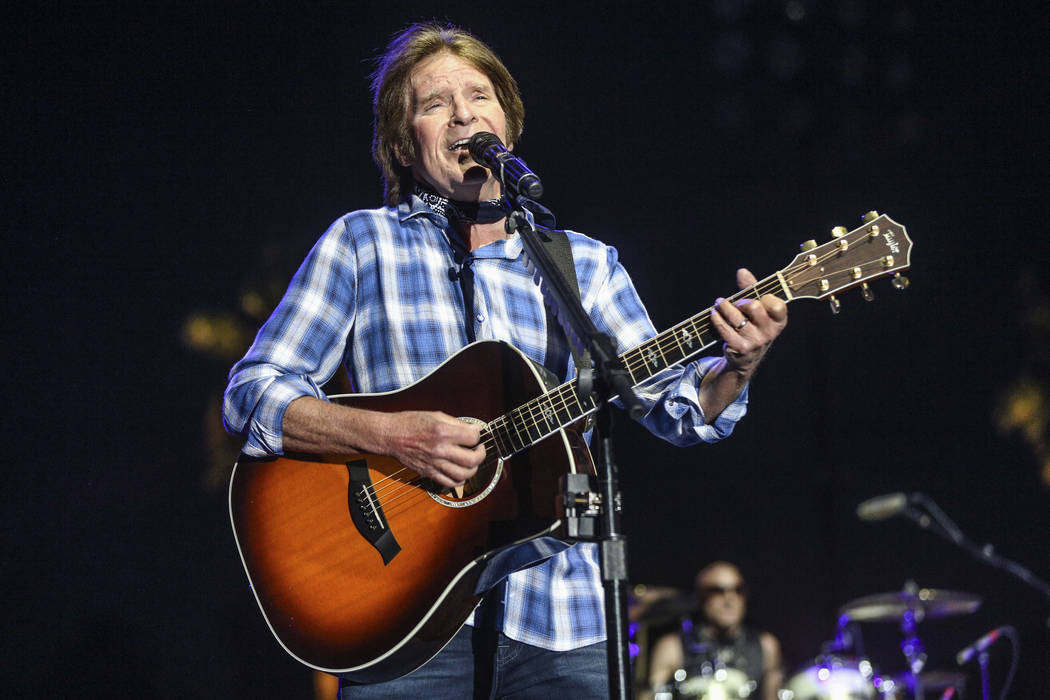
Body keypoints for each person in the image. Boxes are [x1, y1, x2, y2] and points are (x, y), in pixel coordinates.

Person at [222, 22, 788, 699]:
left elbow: (676, 408)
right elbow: (252, 394)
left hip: (562, 620)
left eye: (480, 96)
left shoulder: (582, 265)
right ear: (405, 144)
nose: (464, 114)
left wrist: (739, 366)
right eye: (435, 104)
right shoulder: (361, 244)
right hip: (404, 614)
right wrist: (394, 436)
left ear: (508, 127)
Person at [647, 562, 784, 700]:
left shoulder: (766, 645)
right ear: (700, 597)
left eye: (738, 590)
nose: (729, 599)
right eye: (718, 591)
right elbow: (651, 694)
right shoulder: (672, 647)